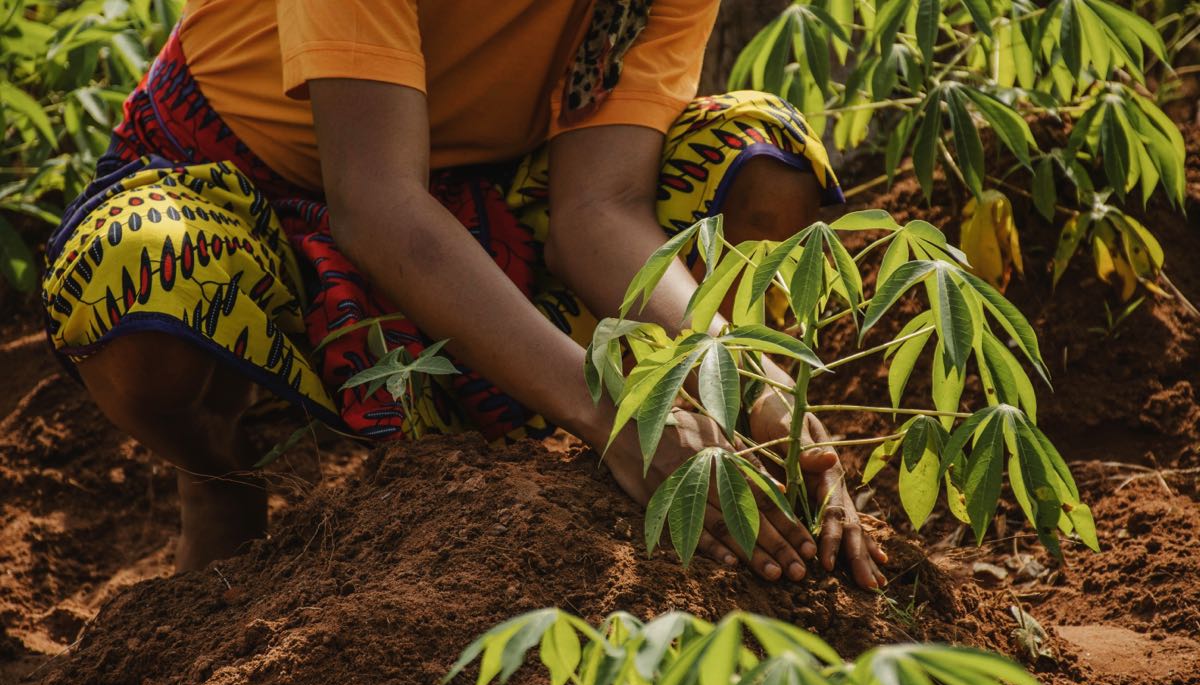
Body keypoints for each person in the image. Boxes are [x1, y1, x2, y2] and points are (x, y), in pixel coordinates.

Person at [42, 0, 888, 589]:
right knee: (135, 277)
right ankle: (216, 478)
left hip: (479, 193)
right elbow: (375, 201)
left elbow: (599, 210)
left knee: (760, 158)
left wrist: (742, 378)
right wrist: (613, 416)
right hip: (237, 177)